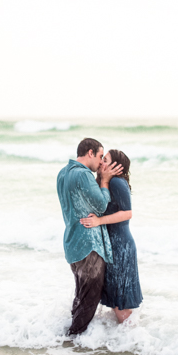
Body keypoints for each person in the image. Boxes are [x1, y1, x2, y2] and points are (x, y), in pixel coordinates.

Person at [57, 138, 123, 335]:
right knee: (89, 297)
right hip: (88, 245)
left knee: (81, 295)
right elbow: (102, 206)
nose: (101, 161)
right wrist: (104, 181)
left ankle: (70, 338)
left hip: (72, 243)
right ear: (90, 153)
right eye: (100, 156)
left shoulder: (63, 173)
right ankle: (73, 340)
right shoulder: (83, 175)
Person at [80, 149, 143, 323]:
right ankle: (122, 340)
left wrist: (99, 221)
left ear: (116, 166)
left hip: (120, 246)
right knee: (117, 296)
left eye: (105, 160)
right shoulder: (106, 182)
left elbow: (127, 213)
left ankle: (130, 341)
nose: (101, 163)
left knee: (120, 301)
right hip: (112, 245)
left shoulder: (117, 182)